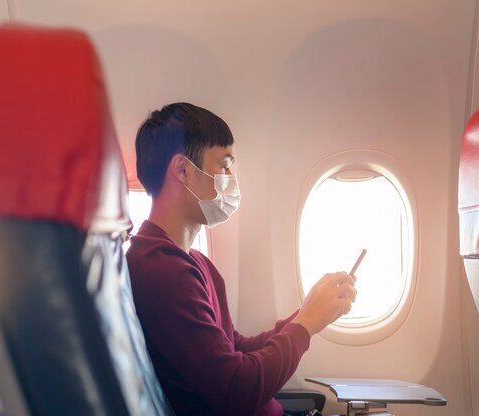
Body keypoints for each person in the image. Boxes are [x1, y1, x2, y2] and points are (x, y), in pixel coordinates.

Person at [126, 102, 357, 416]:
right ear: (182, 170)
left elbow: (234, 348)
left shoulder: (193, 262)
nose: (230, 178)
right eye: (223, 165)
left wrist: (310, 311)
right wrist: (307, 325)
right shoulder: (161, 270)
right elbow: (237, 390)